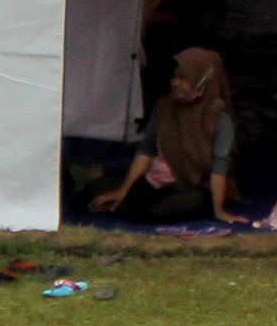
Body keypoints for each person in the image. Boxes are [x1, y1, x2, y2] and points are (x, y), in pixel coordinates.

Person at [92, 45, 246, 224]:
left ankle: (127, 209)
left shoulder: (217, 115)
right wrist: (123, 190)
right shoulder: (164, 106)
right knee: (95, 189)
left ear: (202, 79)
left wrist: (219, 211)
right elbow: (146, 150)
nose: (175, 83)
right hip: (155, 181)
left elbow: (220, 165)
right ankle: (125, 204)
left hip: (189, 187)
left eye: (183, 78)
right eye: (174, 77)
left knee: (184, 203)